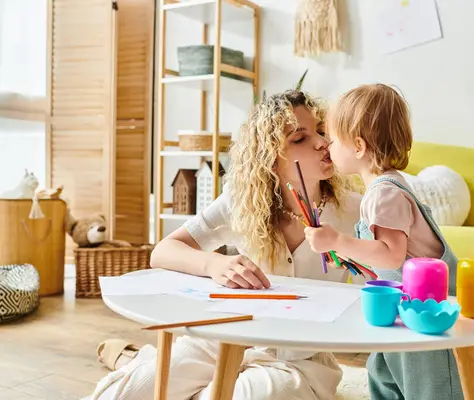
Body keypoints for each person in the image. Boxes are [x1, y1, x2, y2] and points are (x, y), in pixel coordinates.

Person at [87, 90, 363, 400]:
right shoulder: (243, 204)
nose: (321, 143)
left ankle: (132, 357)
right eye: (299, 139)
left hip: (295, 361)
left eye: (323, 131)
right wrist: (214, 264)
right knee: (121, 395)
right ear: (270, 158)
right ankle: (137, 361)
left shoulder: (356, 211)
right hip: (223, 338)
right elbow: (162, 252)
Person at [304, 83, 464, 400]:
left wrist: (337, 240)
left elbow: (391, 256)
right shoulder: (383, 187)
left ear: (359, 146)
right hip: (404, 304)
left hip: (425, 307)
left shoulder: (385, 193)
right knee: (385, 372)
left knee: (428, 384)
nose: (327, 147)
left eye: (333, 140)